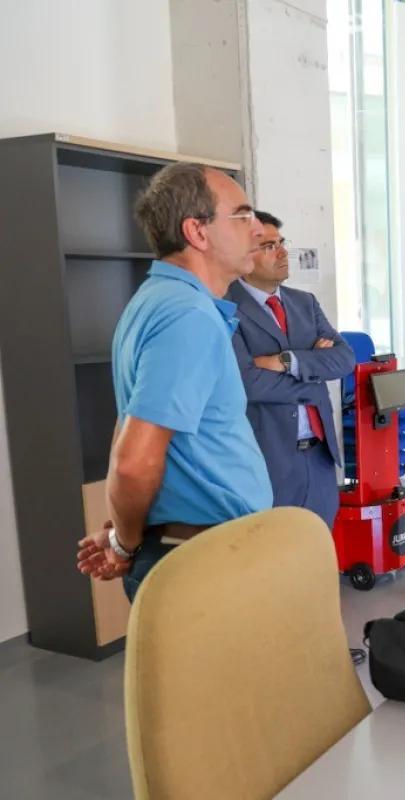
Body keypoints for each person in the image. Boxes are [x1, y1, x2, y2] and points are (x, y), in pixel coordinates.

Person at [75, 163, 273, 600]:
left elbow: (126, 429)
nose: (258, 229)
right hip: (203, 555)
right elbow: (133, 461)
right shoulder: (188, 315)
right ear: (197, 232)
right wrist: (125, 544)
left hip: (187, 545)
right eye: (242, 216)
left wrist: (123, 532)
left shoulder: (156, 301)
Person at [226, 210, 355, 529]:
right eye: (269, 246)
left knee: (319, 547)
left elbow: (345, 359)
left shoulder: (305, 303)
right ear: (245, 254)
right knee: (274, 553)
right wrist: (314, 375)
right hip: (269, 460)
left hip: (320, 457)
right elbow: (247, 383)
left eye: (282, 243)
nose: (283, 252)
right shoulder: (226, 307)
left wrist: (287, 361)